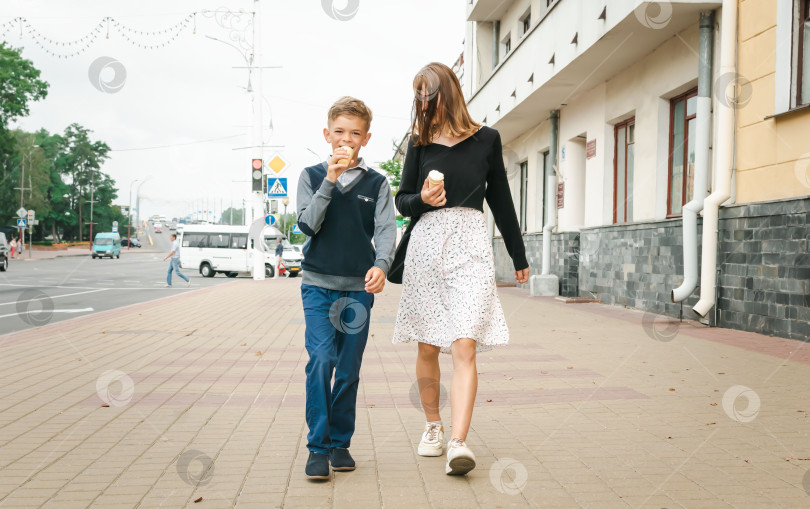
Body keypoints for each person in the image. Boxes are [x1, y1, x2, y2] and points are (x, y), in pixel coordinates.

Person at [392, 62, 530, 476]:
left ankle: (458, 442)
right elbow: (402, 201)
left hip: (471, 245)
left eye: (427, 94)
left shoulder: (486, 139)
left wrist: (519, 256)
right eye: (417, 95)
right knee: (428, 345)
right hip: (427, 245)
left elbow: (501, 200)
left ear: (446, 93)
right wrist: (423, 201)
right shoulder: (419, 144)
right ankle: (433, 426)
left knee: (464, 343)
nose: (422, 101)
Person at [296, 96, 397, 480]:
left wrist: (382, 266)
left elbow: (387, 230)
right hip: (318, 287)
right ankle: (318, 448)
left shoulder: (377, 182)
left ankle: (340, 443)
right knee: (322, 363)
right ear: (327, 134)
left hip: (358, 292)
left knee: (349, 370)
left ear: (366, 139)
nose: (346, 139)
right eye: (339, 132)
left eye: (355, 134)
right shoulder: (310, 176)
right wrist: (330, 179)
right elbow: (307, 224)